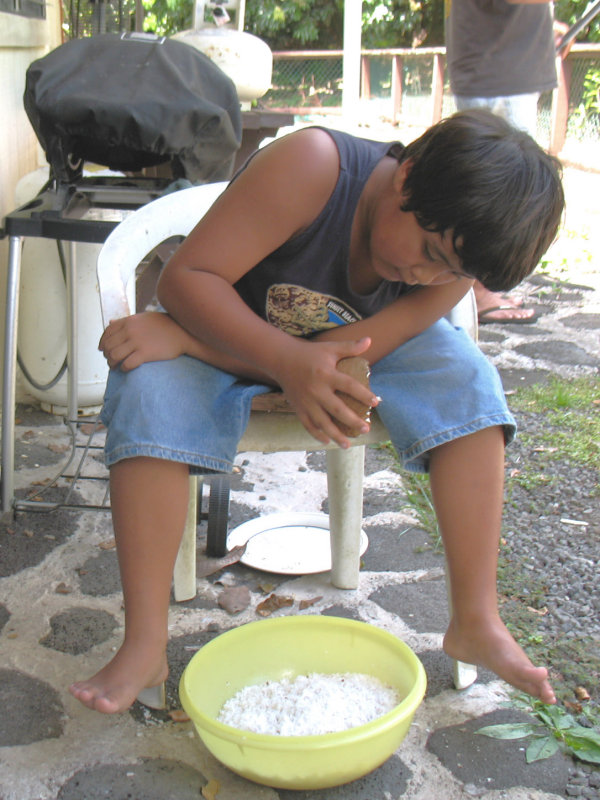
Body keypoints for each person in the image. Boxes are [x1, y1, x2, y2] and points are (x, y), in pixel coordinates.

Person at [69, 110, 564, 715]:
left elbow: (341, 355)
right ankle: (144, 642)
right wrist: (226, 349)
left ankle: (477, 618)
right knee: (149, 390)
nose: (427, 275)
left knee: (470, 386)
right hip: (229, 323)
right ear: (405, 179)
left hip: (311, 348)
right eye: (431, 251)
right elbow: (186, 280)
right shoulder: (312, 168)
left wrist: (208, 347)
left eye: (454, 272)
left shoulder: (449, 272)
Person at [445, 0, 569, 324]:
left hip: (506, 67)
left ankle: (479, 287)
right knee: (496, 189)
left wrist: (541, 30)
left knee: (504, 189)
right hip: (495, 72)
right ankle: (474, 290)